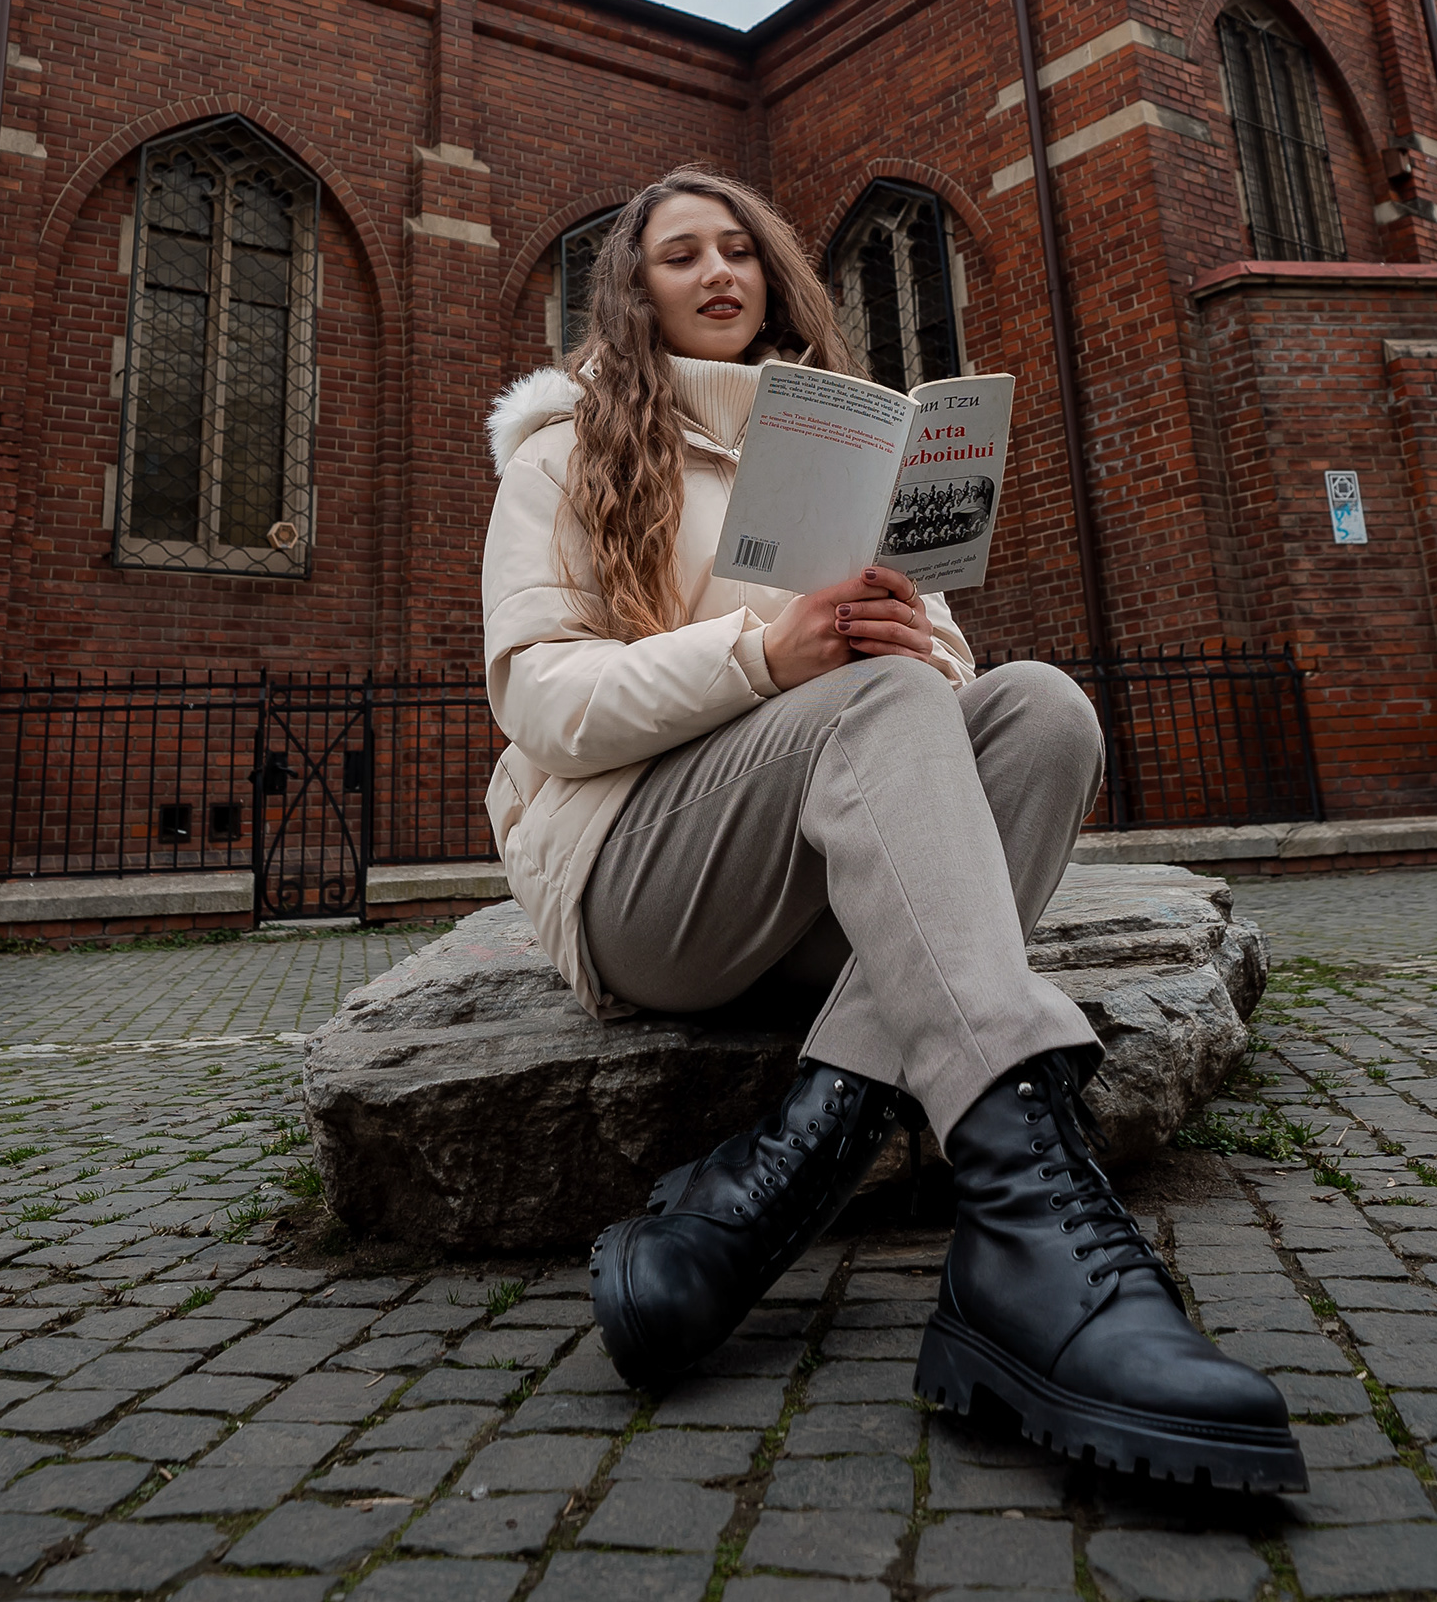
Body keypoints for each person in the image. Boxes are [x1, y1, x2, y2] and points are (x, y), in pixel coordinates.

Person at [480, 167, 1304, 1492]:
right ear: (633, 289)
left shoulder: (850, 446)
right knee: (876, 699)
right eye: (680, 255)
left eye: (739, 248)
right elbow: (540, 700)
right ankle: (1030, 1221)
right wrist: (767, 655)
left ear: (773, 277)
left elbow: (945, 680)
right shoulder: (561, 452)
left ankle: (773, 1189)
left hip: (827, 878)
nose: (717, 272)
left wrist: (913, 642)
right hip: (642, 879)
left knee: (1044, 713)